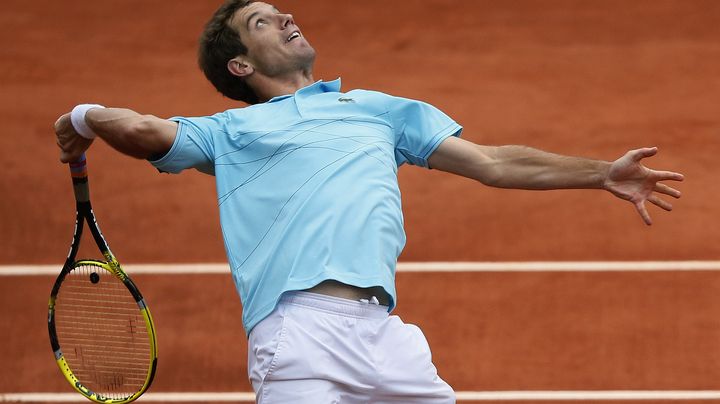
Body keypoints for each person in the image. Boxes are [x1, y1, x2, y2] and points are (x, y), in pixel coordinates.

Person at [54, 1, 684, 402]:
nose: (285, 17)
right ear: (241, 66)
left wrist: (601, 172)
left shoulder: (379, 110)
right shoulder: (229, 133)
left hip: (386, 337)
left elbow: (493, 162)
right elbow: (138, 131)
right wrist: (81, 118)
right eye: (262, 22)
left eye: (280, 11)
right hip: (297, 333)